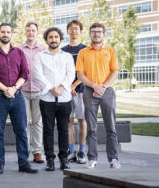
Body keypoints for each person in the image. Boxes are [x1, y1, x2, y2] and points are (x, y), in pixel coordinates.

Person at [0, 23, 38, 174]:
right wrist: (5, 89)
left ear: (11, 34)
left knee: (21, 130)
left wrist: (13, 88)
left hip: (17, 98)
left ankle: (23, 163)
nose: (5, 34)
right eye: (3, 32)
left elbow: (24, 74)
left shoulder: (19, 53)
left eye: (8, 32)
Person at [76, 22, 121, 169]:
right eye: (94, 32)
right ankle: (92, 158)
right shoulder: (83, 53)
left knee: (111, 126)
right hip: (89, 91)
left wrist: (103, 87)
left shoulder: (110, 51)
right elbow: (80, 74)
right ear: (90, 34)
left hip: (107, 91)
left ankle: (113, 159)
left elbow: (115, 71)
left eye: (99, 32)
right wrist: (94, 86)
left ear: (103, 34)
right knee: (91, 127)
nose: (96, 34)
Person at [34, 27, 75, 171]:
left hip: (64, 99)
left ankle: (64, 159)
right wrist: (52, 88)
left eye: (56, 37)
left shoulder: (67, 56)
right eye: (50, 37)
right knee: (48, 130)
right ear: (47, 39)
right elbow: (38, 75)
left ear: (60, 39)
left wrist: (61, 88)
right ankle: (50, 159)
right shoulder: (40, 56)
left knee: (64, 129)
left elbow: (70, 75)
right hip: (47, 99)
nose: (53, 39)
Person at [19, 22, 45, 164]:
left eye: (33, 30)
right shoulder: (18, 49)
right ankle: (24, 152)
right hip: (22, 91)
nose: (30, 33)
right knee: (23, 123)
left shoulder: (43, 49)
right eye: (28, 30)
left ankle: (37, 152)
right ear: (25, 32)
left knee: (37, 123)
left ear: (37, 32)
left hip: (38, 91)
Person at [61, 20, 87, 164]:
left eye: (76, 28)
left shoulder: (85, 49)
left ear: (80, 31)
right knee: (68, 122)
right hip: (66, 93)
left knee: (82, 121)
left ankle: (82, 151)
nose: (74, 31)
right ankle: (71, 152)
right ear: (68, 31)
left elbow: (86, 72)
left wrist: (74, 85)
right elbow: (61, 71)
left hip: (82, 92)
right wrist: (68, 87)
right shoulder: (63, 50)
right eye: (71, 28)